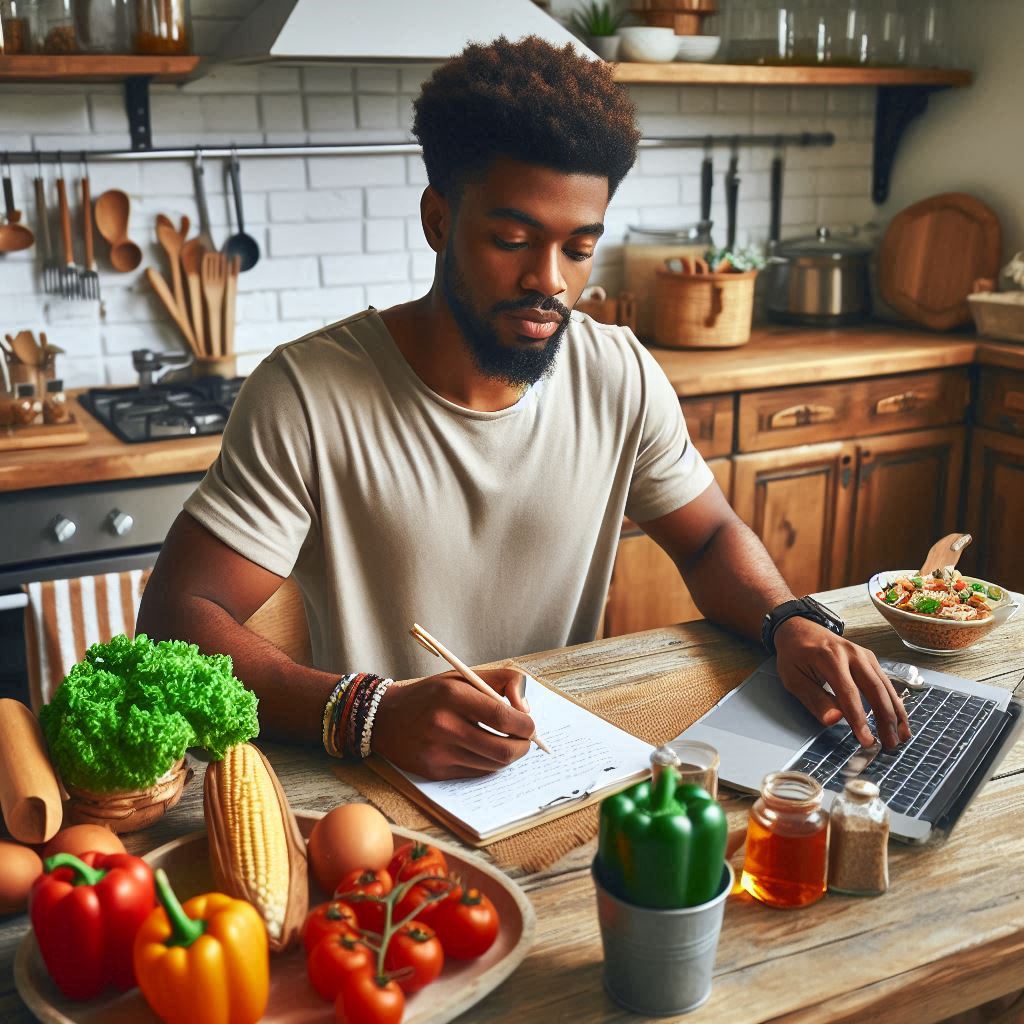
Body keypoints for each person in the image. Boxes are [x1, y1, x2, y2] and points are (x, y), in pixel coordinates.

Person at [137, 35, 910, 780]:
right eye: (513, 238)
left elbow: (707, 537)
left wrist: (789, 621)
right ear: (439, 221)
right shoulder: (307, 394)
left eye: (579, 247)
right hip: (375, 780)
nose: (552, 281)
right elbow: (178, 614)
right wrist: (369, 712)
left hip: (556, 763)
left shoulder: (620, 374)